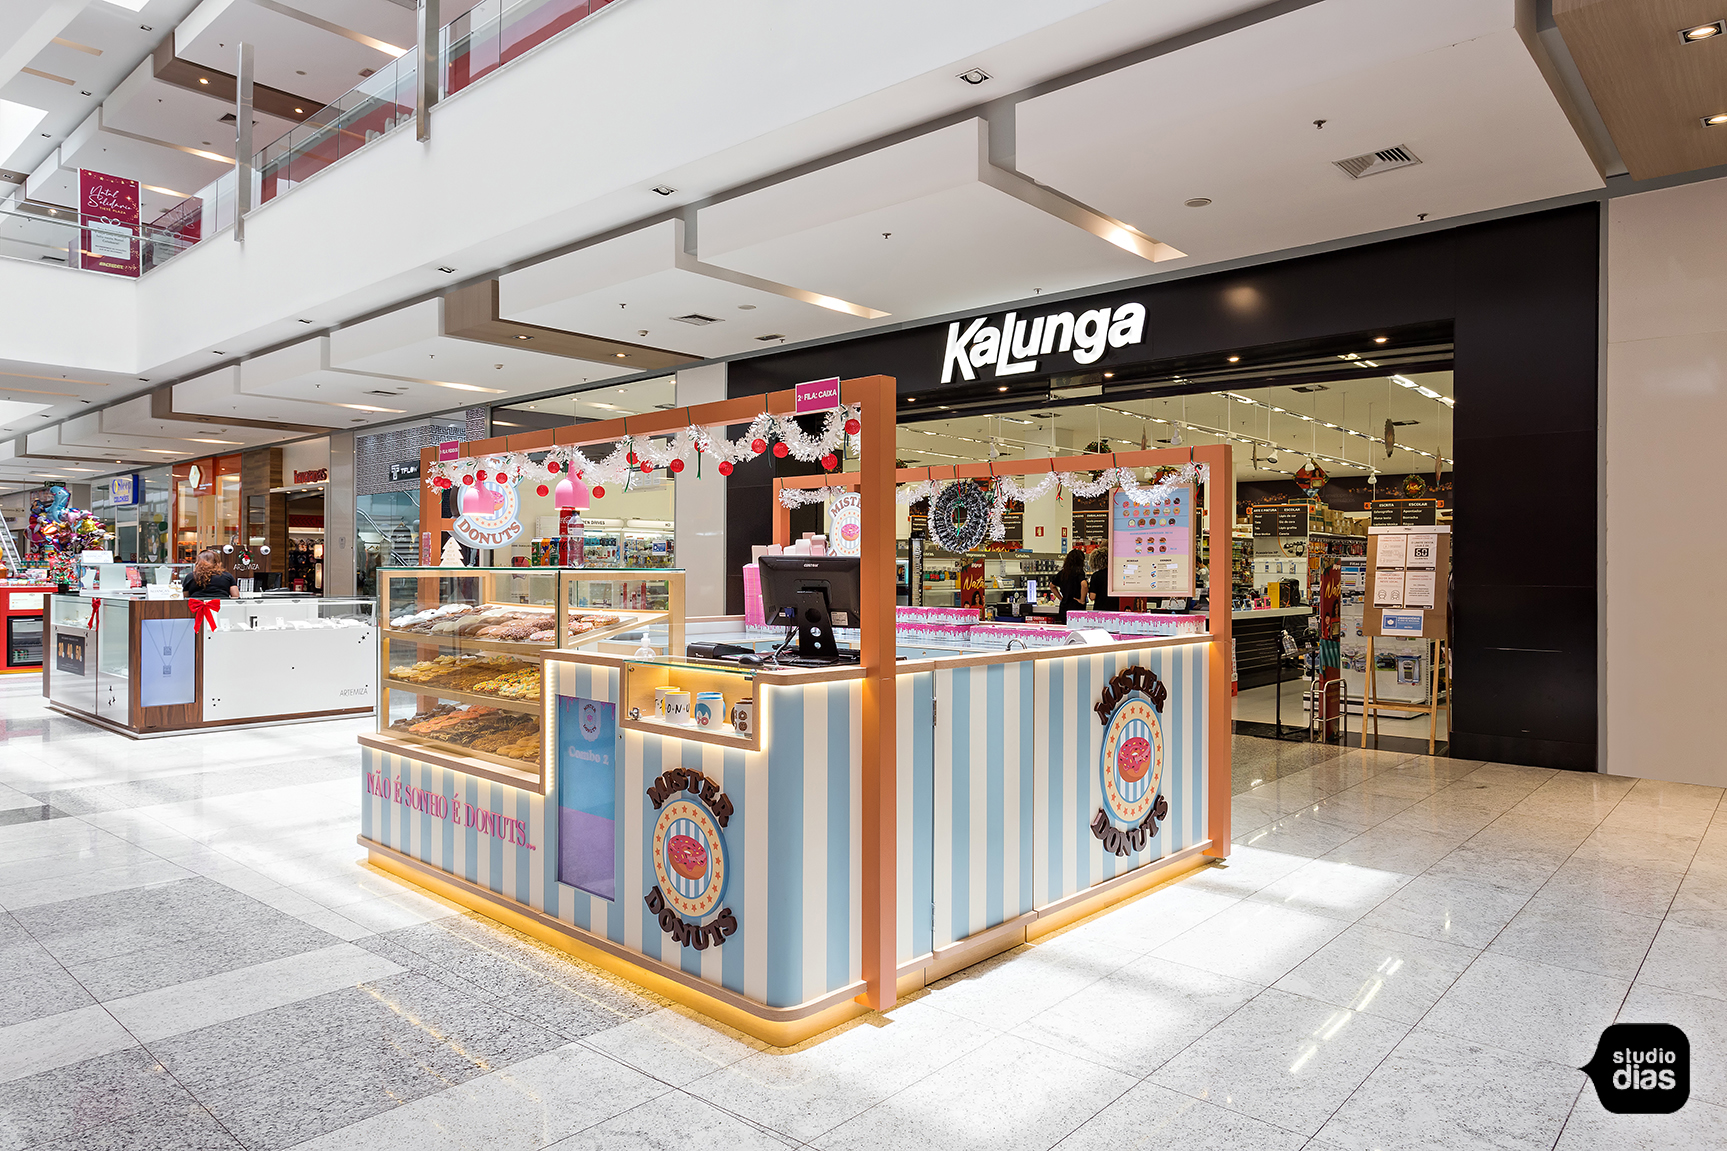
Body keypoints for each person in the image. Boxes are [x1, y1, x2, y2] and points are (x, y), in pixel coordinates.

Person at [1053, 548, 1088, 625]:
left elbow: (1052, 585)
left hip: (1064, 607)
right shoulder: (1079, 572)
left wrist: (1060, 598)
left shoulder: (1063, 573)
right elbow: (1084, 585)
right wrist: (1082, 600)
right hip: (1076, 607)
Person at [1089, 545, 1120, 613]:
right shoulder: (1115, 574)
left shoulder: (1095, 576)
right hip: (1115, 608)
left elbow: (1092, 596)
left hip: (1100, 609)